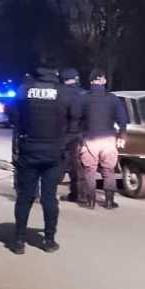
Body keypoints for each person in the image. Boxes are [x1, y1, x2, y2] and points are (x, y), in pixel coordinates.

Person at [7, 65, 82, 254]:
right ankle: (49, 240)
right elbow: (75, 122)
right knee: (49, 198)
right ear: (55, 73)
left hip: (29, 151)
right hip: (53, 153)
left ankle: (19, 241)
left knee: (25, 197)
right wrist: (62, 142)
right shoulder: (65, 93)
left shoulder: (24, 90)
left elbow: (14, 117)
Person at [80, 68, 128, 209]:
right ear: (103, 80)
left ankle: (91, 201)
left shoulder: (83, 98)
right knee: (108, 171)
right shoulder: (113, 99)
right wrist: (122, 134)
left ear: (91, 82)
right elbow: (122, 119)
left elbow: (76, 117)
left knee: (90, 170)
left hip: (90, 140)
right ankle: (108, 201)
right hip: (108, 140)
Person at [57, 68, 87, 202]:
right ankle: (80, 195)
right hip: (82, 135)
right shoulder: (85, 94)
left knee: (58, 164)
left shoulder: (62, 93)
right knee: (78, 166)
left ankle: (48, 194)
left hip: (64, 134)